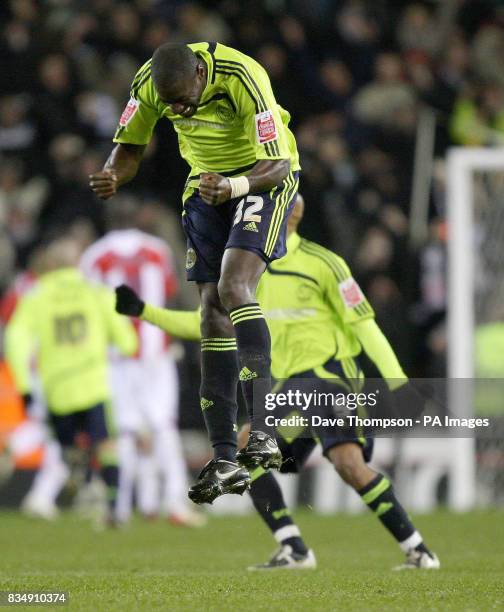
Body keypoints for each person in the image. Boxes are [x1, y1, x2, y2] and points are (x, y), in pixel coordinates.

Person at [115, 195, 440, 570]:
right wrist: (144, 312)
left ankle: (399, 549)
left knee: (300, 456)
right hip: (287, 386)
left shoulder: (324, 264)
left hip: (329, 378)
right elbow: (204, 324)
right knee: (331, 464)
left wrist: (399, 384)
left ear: (289, 216)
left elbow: (364, 325)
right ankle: (312, 547)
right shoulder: (246, 273)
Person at [89, 42, 301, 504]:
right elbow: (129, 147)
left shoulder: (244, 76)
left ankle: (263, 430)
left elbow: (279, 163)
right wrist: (112, 173)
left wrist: (235, 185)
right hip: (205, 182)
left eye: (185, 98)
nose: (179, 109)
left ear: (202, 74)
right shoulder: (148, 85)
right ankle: (225, 456)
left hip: (259, 177)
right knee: (210, 312)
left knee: (233, 284)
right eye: (172, 104)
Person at [80, 199, 204, 527]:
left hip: (115, 356)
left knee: (123, 431)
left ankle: (118, 509)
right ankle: (177, 503)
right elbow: (171, 291)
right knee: (163, 426)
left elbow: (89, 305)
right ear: (138, 218)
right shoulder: (157, 249)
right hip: (156, 351)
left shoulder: (95, 255)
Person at [5, 237, 138, 525]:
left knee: (62, 445)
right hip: (93, 384)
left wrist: (25, 387)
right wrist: (122, 345)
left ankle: (73, 478)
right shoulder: (96, 291)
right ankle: (112, 503)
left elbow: (15, 340)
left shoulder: (37, 294)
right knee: (106, 445)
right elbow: (126, 340)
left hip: (57, 388)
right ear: (78, 262)